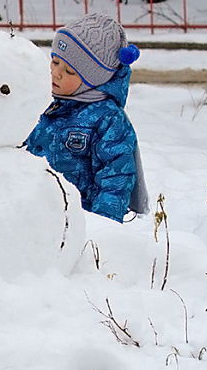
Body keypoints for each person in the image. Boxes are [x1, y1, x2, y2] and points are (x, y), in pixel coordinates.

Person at [24, 12, 149, 222]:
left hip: (81, 223)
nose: (56, 73)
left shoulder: (108, 120)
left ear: (93, 80)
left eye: (69, 71)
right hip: (35, 220)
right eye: (54, 62)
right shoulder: (44, 105)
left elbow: (115, 177)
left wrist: (101, 227)